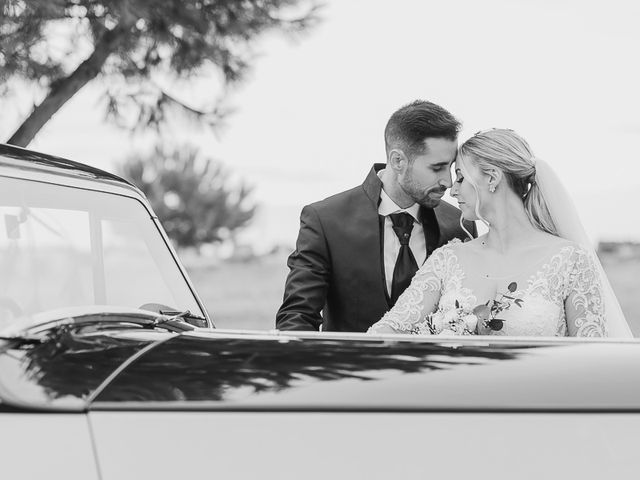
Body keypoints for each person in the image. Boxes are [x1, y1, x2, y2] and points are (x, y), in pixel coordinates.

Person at [368, 128, 633, 337]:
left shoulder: (571, 261)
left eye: (460, 177)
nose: (453, 190)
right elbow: (385, 333)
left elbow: (592, 358)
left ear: (492, 178)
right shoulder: (447, 260)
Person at [276, 100, 476, 332]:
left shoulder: (460, 225)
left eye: (450, 167)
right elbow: (297, 319)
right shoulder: (324, 221)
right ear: (398, 161)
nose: (448, 182)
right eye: (436, 168)